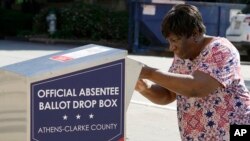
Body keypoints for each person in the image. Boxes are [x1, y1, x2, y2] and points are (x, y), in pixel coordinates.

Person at [135, 4, 250, 141]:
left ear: (195, 34)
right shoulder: (182, 56)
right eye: (169, 41)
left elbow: (196, 88)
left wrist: (150, 73)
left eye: (175, 40)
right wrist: (145, 87)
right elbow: (168, 95)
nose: (171, 47)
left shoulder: (221, 50)